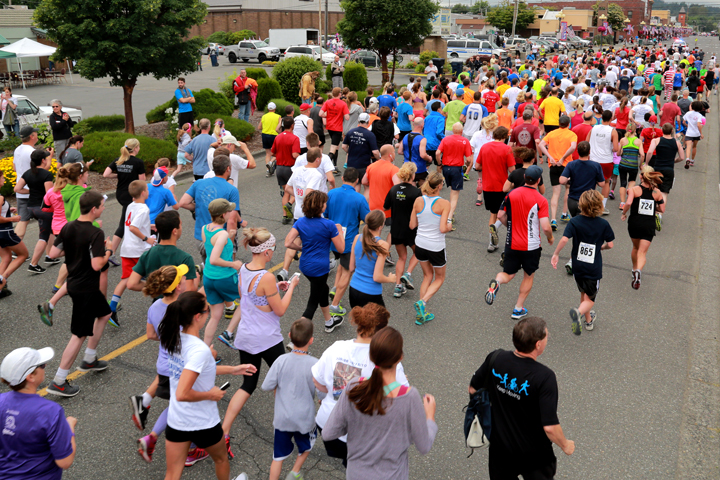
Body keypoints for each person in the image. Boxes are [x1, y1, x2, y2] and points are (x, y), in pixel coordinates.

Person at [220, 228, 300, 458]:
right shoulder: (266, 276)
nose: (273, 252)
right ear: (265, 252)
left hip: (246, 336)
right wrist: (291, 285)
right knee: (283, 382)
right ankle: (286, 429)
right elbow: (281, 310)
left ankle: (223, 432)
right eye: (272, 249)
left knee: (248, 385)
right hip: (267, 338)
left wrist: (276, 289)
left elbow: (251, 297)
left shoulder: (243, 268)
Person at [158, 291, 255, 480]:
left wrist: (233, 369)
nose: (209, 313)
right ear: (197, 317)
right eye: (207, 310)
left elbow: (195, 372)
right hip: (202, 421)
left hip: (177, 419)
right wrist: (211, 395)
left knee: (172, 473)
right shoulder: (199, 350)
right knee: (220, 460)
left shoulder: (174, 338)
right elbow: (182, 393)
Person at [323, 327, 437, 480]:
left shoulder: (354, 387)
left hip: (356, 474)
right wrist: (430, 418)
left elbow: (328, 432)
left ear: (372, 356)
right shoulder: (409, 397)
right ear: (400, 357)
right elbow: (424, 446)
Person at [469, 317, 575, 480]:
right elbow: (550, 428)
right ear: (538, 344)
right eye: (546, 336)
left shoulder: (496, 358)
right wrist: (566, 445)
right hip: (534, 455)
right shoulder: (544, 377)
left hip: (500, 448)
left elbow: (473, 389)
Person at [312, 303, 409, 467]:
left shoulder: (336, 348)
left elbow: (318, 382)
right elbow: (401, 400)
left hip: (329, 425)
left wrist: (334, 393)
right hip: (362, 435)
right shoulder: (387, 359)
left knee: (349, 462)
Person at [46, 191, 113, 397]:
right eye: (102, 205)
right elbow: (97, 264)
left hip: (74, 282)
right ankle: (58, 381)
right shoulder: (96, 233)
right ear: (94, 209)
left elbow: (54, 253)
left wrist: (77, 248)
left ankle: (90, 359)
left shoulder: (68, 226)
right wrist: (108, 250)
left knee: (105, 314)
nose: (103, 208)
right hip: (86, 288)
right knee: (79, 334)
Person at [132, 264, 189, 462]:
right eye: (182, 278)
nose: (184, 280)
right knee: (181, 406)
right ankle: (153, 438)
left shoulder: (154, 307)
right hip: (181, 366)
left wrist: (167, 338)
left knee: (178, 404)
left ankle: (153, 435)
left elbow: (150, 334)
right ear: (178, 287)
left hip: (163, 365)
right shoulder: (183, 308)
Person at [485, 166, 554, 320]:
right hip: (531, 246)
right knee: (528, 276)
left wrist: (509, 226)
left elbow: (501, 215)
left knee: (508, 274)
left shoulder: (511, 194)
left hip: (512, 242)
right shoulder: (541, 200)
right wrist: (550, 238)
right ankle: (517, 308)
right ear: (538, 180)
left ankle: (496, 282)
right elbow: (545, 226)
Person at [0, 346, 77, 477]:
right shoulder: (50, 411)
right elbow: (65, 461)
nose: (45, 365)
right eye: (42, 365)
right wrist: (69, 428)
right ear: (31, 376)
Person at [261, 318, 318, 480]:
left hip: (282, 418)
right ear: (311, 340)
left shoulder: (281, 361)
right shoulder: (315, 364)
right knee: (307, 445)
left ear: (289, 336)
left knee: (277, 456)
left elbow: (266, 386)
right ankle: (295, 472)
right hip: (303, 419)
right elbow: (322, 393)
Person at [551, 190, 615, 334]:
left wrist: (556, 254)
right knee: (591, 298)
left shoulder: (574, 221)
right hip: (593, 268)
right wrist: (602, 248)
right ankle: (578, 313)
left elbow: (564, 239)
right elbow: (610, 244)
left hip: (577, 265)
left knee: (584, 292)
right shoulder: (603, 224)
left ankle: (588, 321)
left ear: (581, 204)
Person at [284, 191, 345, 331]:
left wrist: (300, 248)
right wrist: (339, 231)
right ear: (320, 207)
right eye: (324, 203)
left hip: (305, 266)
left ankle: (329, 321)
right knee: (312, 303)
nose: (326, 204)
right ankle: (296, 337)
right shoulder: (329, 225)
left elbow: (287, 243)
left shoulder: (300, 222)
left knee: (323, 290)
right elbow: (341, 249)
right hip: (320, 268)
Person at [107, 180, 156, 326]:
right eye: (147, 189)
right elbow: (134, 227)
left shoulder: (130, 205)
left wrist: (149, 226)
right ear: (143, 193)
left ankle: (112, 309)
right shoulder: (144, 209)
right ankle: (160, 299)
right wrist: (147, 238)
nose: (148, 191)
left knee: (125, 279)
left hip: (126, 249)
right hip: (139, 250)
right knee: (154, 275)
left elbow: (131, 224)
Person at [326, 168, 371, 316]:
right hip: (348, 242)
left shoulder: (331, 193)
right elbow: (368, 219)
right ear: (357, 180)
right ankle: (334, 305)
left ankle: (334, 288)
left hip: (332, 239)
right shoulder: (359, 198)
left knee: (342, 264)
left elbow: (325, 215)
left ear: (343, 178)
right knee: (348, 271)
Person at [409, 172, 451, 324]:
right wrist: (450, 225)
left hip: (420, 243)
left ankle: (422, 314)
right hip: (435, 246)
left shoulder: (419, 200)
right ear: (440, 185)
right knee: (439, 278)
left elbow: (412, 225)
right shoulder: (444, 203)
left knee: (427, 276)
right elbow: (443, 228)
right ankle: (423, 302)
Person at [178, 156, 242, 255]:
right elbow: (232, 220)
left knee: (207, 267)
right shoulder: (231, 189)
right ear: (228, 168)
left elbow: (183, 203)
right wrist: (230, 243)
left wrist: (199, 206)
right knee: (224, 268)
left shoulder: (198, 183)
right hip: (220, 238)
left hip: (201, 237)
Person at [103, 138, 147, 265]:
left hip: (120, 194)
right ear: (136, 148)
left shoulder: (119, 160)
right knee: (124, 223)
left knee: (129, 220)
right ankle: (111, 252)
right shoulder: (138, 162)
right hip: (132, 195)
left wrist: (119, 175)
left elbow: (106, 174)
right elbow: (142, 182)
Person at [621, 166, 666, 290]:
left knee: (635, 247)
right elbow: (662, 209)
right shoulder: (657, 193)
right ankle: (638, 271)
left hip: (635, 223)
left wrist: (624, 213)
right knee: (642, 252)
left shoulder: (634, 190)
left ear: (641, 176)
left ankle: (634, 268)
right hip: (648, 225)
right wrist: (654, 209)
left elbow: (628, 203)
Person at [13, 149, 55, 274]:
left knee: (50, 230)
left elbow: (17, 189)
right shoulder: (46, 174)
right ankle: (34, 264)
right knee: (43, 236)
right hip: (43, 208)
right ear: (43, 160)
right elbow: (49, 194)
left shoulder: (27, 173)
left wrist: (31, 191)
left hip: (31, 207)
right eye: (46, 158)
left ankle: (50, 255)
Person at [384, 162, 421, 298]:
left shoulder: (393, 190)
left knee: (401, 257)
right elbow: (420, 210)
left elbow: (386, 207)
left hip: (396, 228)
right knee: (419, 252)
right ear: (412, 175)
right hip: (411, 228)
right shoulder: (416, 192)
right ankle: (408, 273)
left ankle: (398, 286)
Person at [475, 126, 516, 253]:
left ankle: (491, 243)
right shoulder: (506, 149)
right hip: (502, 186)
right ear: (504, 137)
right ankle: (497, 228)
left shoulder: (485, 147)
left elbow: (477, 166)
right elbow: (512, 171)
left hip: (488, 186)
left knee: (493, 213)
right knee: (503, 212)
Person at [347, 209, 396, 308]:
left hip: (354, 289)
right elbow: (377, 277)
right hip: (371, 293)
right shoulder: (382, 244)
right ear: (380, 226)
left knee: (361, 323)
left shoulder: (357, 238)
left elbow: (351, 268)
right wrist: (390, 279)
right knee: (381, 323)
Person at [538, 115, 577, 230]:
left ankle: (553, 219)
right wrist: (563, 157)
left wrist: (550, 157)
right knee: (568, 189)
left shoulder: (551, 133)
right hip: (566, 166)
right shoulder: (571, 134)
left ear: (558, 123)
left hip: (553, 165)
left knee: (555, 193)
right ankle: (564, 213)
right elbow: (573, 146)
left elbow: (541, 144)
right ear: (568, 124)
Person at [644, 123, 684, 229]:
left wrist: (646, 163)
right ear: (671, 131)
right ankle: (660, 215)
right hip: (669, 170)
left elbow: (649, 152)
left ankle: (650, 213)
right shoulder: (677, 143)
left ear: (662, 130)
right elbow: (682, 157)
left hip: (657, 169)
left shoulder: (656, 140)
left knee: (653, 190)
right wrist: (673, 161)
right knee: (664, 193)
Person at [437, 122, 473, 226]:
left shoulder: (446, 139)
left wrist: (439, 162)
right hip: (457, 168)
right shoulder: (465, 141)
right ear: (461, 131)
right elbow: (469, 159)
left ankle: (437, 211)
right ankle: (449, 218)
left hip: (446, 167)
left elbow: (438, 152)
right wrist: (467, 163)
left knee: (439, 189)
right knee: (454, 193)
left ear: (453, 130)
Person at [0, 170, 29, 298]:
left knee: (6, 258)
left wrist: (8, 211)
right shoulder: (0, 197)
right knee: (23, 255)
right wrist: (13, 219)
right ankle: (2, 280)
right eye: (2, 178)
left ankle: (1, 285)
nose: (4, 180)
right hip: (5, 232)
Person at [588, 110, 619, 214]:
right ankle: (602, 207)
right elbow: (615, 149)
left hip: (593, 159)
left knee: (592, 182)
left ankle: (590, 204)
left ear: (601, 118)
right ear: (611, 119)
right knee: (606, 183)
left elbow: (586, 141)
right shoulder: (612, 131)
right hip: (606, 160)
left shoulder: (593, 128)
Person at [12, 126, 40, 240]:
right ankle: (51, 251)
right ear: (31, 137)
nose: (37, 135)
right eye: (35, 133)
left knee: (23, 220)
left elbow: (14, 168)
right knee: (47, 219)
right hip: (33, 192)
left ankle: (15, 247)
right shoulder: (33, 152)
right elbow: (40, 170)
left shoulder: (17, 149)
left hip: (21, 190)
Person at [342, 113, 380, 188]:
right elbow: (375, 152)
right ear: (368, 121)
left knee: (355, 185)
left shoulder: (351, 132)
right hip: (364, 164)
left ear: (358, 121)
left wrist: (350, 152)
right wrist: (379, 159)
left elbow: (344, 146)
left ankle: (355, 199)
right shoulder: (370, 134)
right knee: (366, 187)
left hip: (351, 164)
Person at [321, 88, 351, 172]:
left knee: (335, 146)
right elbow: (347, 117)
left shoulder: (327, 102)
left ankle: (335, 166)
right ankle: (325, 165)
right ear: (340, 94)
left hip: (330, 127)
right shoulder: (343, 103)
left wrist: (328, 116)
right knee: (333, 147)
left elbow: (320, 113)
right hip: (337, 128)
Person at [617, 124, 643, 210]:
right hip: (633, 165)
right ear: (635, 131)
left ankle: (622, 203)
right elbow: (642, 155)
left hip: (623, 164)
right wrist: (640, 165)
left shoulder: (623, 140)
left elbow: (618, 153)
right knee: (631, 182)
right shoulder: (638, 141)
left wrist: (622, 152)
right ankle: (629, 199)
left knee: (622, 183)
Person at [682, 100, 705, 168]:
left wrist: (687, 126)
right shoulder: (699, 115)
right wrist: (701, 133)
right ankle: (692, 160)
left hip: (689, 133)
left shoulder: (688, 113)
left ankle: (687, 159)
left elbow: (683, 122)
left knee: (688, 147)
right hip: (696, 134)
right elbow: (698, 125)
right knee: (694, 147)